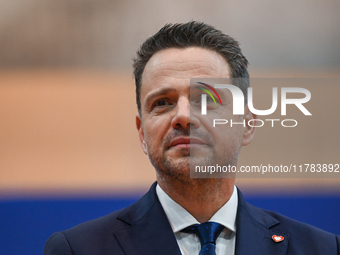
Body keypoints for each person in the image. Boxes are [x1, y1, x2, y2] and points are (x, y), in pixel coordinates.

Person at [44, 21, 339, 255]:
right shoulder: (78, 249)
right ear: (142, 133)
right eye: (162, 102)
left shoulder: (321, 249)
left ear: (247, 124)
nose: (183, 116)